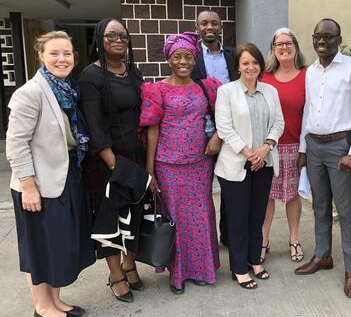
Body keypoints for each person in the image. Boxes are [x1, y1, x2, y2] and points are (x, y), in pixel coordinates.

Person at [6, 31, 95, 317]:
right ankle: (43, 307)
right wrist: (28, 185)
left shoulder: (67, 90)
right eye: (54, 53)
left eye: (66, 53)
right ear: (41, 56)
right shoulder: (30, 92)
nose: (61, 59)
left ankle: (56, 301)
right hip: (38, 182)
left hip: (67, 176)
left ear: (74, 57)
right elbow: (16, 143)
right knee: (38, 247)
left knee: (59, 245)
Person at [295, 18, 351, 299]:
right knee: (319, 207)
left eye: (328, 37)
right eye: (317, 36)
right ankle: (323, 256)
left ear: (339, 39)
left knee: (346, 210)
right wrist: (304, 148)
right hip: (314, 146)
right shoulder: (310, 72)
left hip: (341, 146)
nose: (322, 41)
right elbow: (308, 111)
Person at [141, 31, 221, 295]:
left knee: (201, 215)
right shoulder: (157, 89)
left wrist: (217, 137)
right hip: (168, 164)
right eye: (178, 57)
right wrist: (150, 169)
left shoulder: (207, 87)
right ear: (169, 60)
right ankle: (179, 273)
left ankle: (202, 269)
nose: (184, 61)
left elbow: (223, 116)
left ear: (194, 58)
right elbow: (152, 129)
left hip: (200, 163)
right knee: (175, 218)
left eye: (188, 56)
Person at [78, 18, 146, 303]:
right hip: (107, 161)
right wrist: (115, 166)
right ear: (99, 39)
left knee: (136, 214)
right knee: (110, 220)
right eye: (110, 35)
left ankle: (130, 264)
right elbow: (94, 128)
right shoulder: (89, 77)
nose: (118, 40)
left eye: (123, 35)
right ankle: (115, 274)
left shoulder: (135, 73)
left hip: (136, 156)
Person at [214, 43, 285, 289]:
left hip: (263, 163)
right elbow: (224, 127)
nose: (250, 67)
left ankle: (255, 260)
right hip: (236, 165)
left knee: (257, 217)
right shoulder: (226, 92)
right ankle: (239, 268)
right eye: (245, 63)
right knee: (238, 218)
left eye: (254, 62)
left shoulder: (270, 91)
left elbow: (278, 123)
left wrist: (265, 147)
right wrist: (248, 152)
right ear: (237, 66)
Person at [259, 27, 306, 263]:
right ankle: (264, 241)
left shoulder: (308, 75)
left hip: (296, 146)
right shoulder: (263, 77)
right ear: (273, 49)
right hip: (270, 147)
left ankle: (294, 239)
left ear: (296, 47)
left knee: (292, 196)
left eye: (289, 43)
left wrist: (305, 149)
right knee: (266, 196)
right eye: (279, 44)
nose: (284, 47)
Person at [192, 9, 238, 247]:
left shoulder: (233, 54)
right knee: (201, 188)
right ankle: (203, 239)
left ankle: (229, 236)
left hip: (231, 129)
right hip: (200, 129)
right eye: (204, 23)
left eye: (214, 23)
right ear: (197, 27)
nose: (209, 27)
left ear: (221, 28)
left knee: (231, 187)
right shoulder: (189, 55)